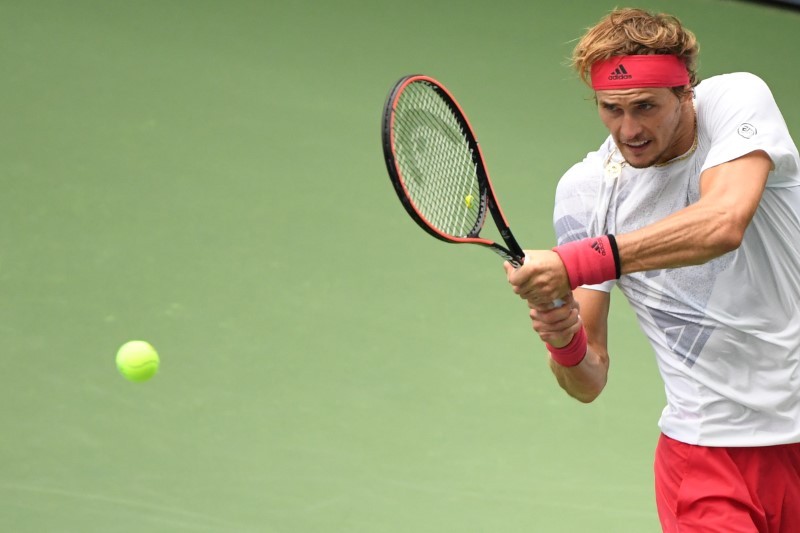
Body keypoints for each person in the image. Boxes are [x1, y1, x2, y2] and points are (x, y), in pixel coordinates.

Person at [504, 8, 800, 533]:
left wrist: (577, 261)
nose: (630, 129)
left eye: (646, 106)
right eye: (611, 109)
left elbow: (722, 223)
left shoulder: (735, 102)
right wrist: (563, 336)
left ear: (688, 93)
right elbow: (588, 380)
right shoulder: (586, 192)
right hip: (708, 462)